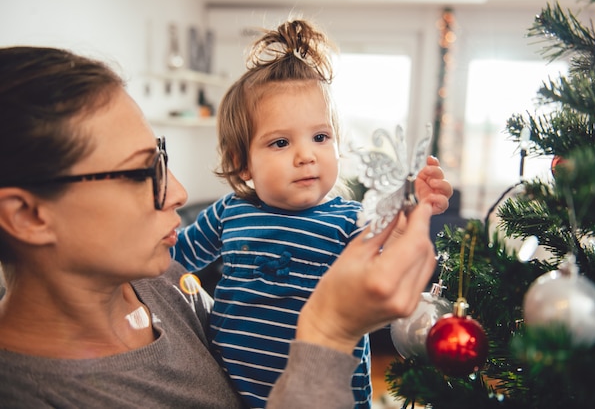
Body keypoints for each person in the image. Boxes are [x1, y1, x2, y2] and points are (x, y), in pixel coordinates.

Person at [0, 45, 446, 408]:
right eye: (141, 172)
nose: (177, 192)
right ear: (28, 215)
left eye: (162, 160)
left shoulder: (161, 283)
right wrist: (327, 334)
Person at [172, 19, 452, 408]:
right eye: (281, 142)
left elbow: (387, 277)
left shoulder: (352, 220)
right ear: (242, 165)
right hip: (233, 391)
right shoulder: (228, 213)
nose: (306, 155)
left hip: (328, 391)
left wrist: (410, 220)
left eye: (320, 137)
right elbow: (171, 261)